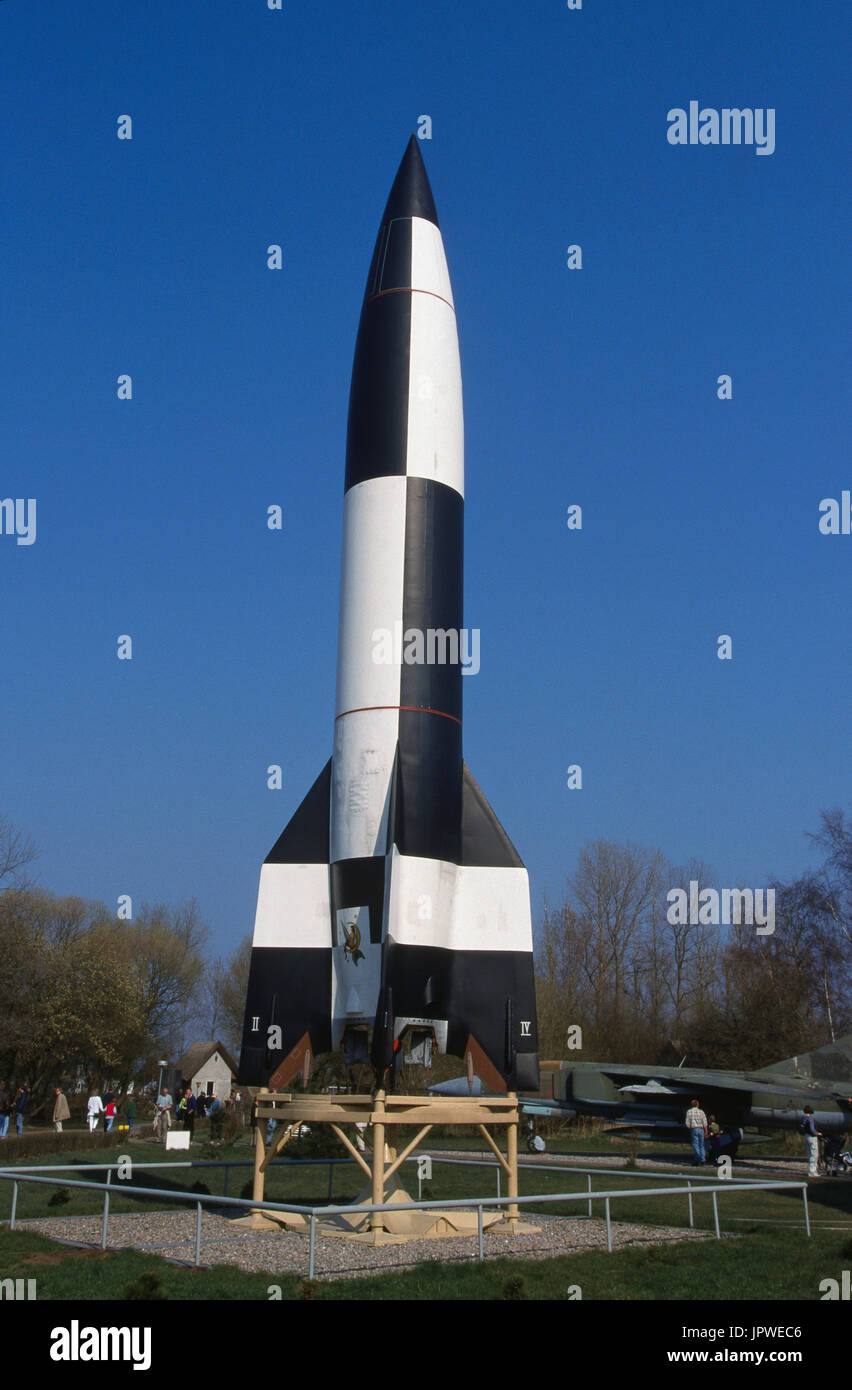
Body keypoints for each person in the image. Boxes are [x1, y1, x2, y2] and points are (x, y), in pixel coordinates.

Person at [684, 1098, 708, 1166]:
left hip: (694, 1129)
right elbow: (705, 1122)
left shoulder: (689, 1112)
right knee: (702, 1145)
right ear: (697, 1104)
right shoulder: (701, 1111)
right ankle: (703, 1159)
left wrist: (690, 1128)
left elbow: (687, 1123)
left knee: (695, 1145)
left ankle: (697, 1158)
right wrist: (706, 1131)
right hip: (701, 1129)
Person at [801, 1105, 821, 1176]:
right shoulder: (810, 1118)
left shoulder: (803, 1118)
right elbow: (812, 1128)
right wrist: (817, 1133)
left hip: (806, 1136)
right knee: (814, 1154)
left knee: (809, 1153)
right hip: (812, 1137)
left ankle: (810, 1170)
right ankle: (813, 1171)